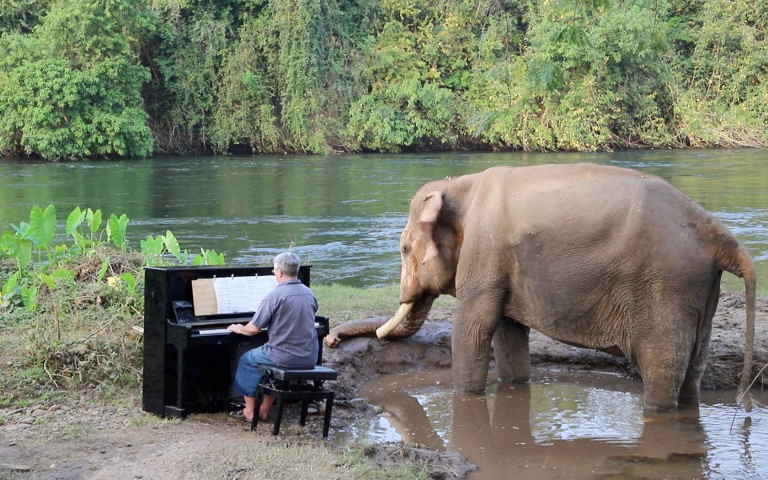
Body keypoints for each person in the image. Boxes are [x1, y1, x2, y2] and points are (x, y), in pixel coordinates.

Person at [227, 252, 319, 422]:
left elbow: (253, 329)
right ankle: (263, 410)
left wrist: (239, 328)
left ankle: (248, 411)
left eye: (274, 270)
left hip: (285, 356)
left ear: (279, 272)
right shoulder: (308, 293)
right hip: (308, 356)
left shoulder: (274, 296)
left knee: (247, 360)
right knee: (271, 369)